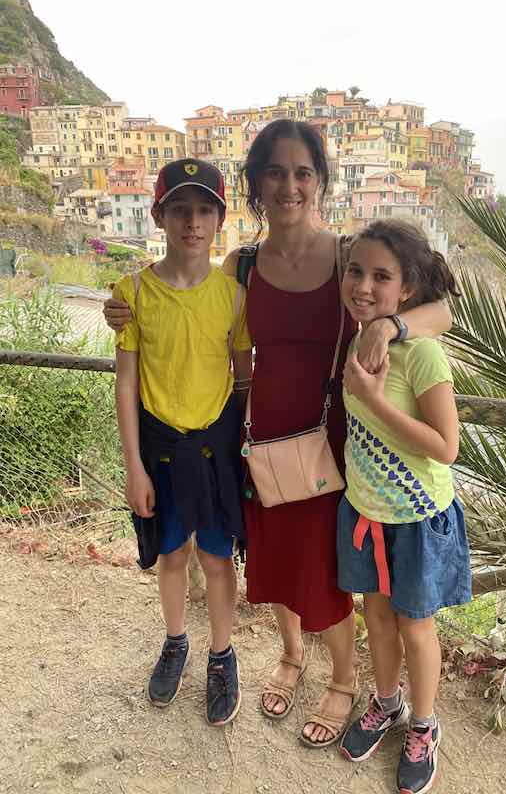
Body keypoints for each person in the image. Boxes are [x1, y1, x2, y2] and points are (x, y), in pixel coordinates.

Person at [104, 119, 453, 747]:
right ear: (256, 185)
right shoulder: (240, 265)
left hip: (338, 438)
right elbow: (188, 302)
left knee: (327, 566)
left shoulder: (352, 257)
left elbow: (444, 310)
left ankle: (345, 680)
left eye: (302, 172)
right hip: (259, 433)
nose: (289, 185)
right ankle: (292, 657)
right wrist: (121, 304)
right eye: (274, 172)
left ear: (319, 181)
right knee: (277, 558)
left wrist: (389, 329)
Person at [113, 158, 253, 727]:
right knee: (171, 554)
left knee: (219, 558)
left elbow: (242, 377)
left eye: (203, 210)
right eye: (179, 209)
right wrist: (133, 468)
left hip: (216, 448)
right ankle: (176, 641)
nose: (191, 222)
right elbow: (125, 380)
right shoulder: (133, 292)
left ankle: (223, 654)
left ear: (220, 219)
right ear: (159, 216)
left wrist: (243, 453)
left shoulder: (233, 296)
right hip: (159, 447)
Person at [337, 219, 471, 792]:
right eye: (356, 271)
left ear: (407, 291)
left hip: (416, 520)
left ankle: (423, 723)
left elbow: (446, 447)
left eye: (382, 276)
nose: (364, 285)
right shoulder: (360, 334)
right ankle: (385, 703)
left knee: (417, 628)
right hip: (365, 512)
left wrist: (370, 398)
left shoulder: (421, 356)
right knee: (378, 619)